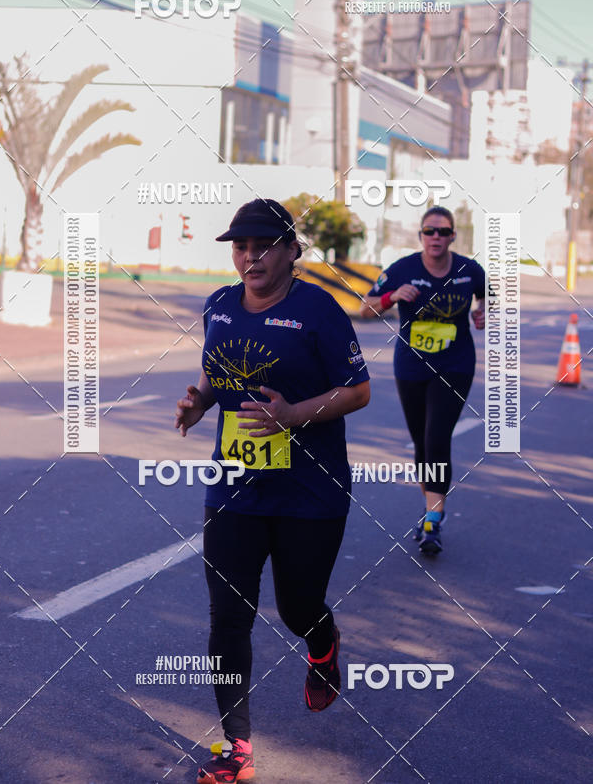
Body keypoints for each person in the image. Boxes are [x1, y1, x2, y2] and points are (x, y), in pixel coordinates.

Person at [175, 198, 370, 784]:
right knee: (227, 619)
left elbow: (357, 390)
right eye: (240, 246)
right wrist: (199, 402)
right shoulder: (219, 306)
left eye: (263, 246)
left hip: (311, 492)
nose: (250, 257)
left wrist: (294, 415)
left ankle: (324, 643)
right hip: (234, 486)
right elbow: (215, 372)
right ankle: (237, 748)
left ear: (291, 252)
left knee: (297, 606)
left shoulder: (319, 311)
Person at [361, 206, 485, 554]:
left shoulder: (468, 269)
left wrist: (482, 310)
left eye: (443, 232)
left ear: (452, 237)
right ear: (421, 235)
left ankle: (433, 519)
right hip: (412, 366)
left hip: (456, 364)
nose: (435, 238)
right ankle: (431, 508)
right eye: (429, 231)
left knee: (436, 436)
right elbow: (364, 308)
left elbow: (488, 293)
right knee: (420, 440)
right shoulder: (403, 270)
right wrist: (392, 297)